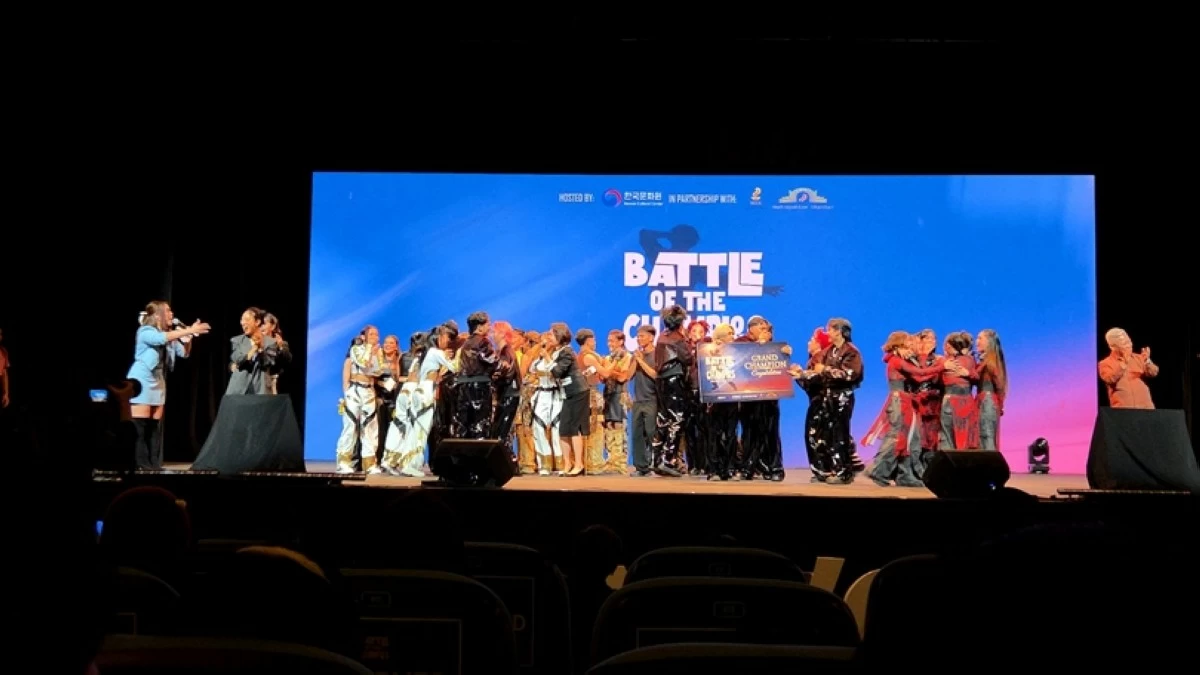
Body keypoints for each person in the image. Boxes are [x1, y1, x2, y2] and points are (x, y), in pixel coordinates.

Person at [126, 301, 210, 469]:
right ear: (157, 315)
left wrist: (188, 339)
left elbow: (184, 354)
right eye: (168, 311)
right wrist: (190, 330)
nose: (172, 314)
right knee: (140, 428)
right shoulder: (145, 331)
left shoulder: (169, 334)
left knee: (155, 428)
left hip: (158, 382)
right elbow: (160, 339)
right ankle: (141, 467)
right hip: (142, 380)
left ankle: (154, 466)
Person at [649, 305, 691, 477]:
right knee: (677, 419)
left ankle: (656, 458)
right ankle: (668, 459)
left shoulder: (661, 337)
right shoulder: (677, 339)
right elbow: (687, 359)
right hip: (674, 380)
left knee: (663, 419)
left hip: (661, 381)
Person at [1098, 327, 1158, 409]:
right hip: (1123, 410)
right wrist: (1123, 364)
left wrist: (1147, 361)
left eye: (1129, 341)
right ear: (1113, 347)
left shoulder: (1136, 357)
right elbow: (1110, 379)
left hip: (1145, 407)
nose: (1129, 345)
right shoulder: (1105, 363)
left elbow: (1153, 372)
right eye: (1125, 344)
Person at [226, 307, 280, 395]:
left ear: (257, 322)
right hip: (239, 390)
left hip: (261, 390)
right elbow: (238, 360)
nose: (242, 322)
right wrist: (254, 349)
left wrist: (260, 349)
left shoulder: (271, 342)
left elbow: (268, 363)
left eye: (246, 319)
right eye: (241, 320)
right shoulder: (237, 340)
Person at [974, 329, 1009, 450]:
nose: (976, 341)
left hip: (987, 401)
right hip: (982, 400)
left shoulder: (991, 361)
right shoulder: (983, 360)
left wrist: (1000, 403)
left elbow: (999, 384)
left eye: (980, 338)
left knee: (986, 432)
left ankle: (989, 464)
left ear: (989, 342)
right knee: (981, 433)